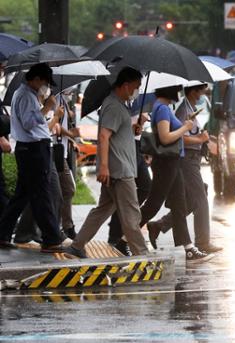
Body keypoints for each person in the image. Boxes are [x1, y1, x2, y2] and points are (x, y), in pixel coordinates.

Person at [64, 67, 150, 258]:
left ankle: (77, 246)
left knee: (102, 211)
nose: (137, 91)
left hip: (117, 169)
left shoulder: (118, 105)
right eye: (136, 87)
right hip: (120, 170)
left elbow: (115, 133)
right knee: (131, 215)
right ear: (126, 85)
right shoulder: (114, 106)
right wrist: (103, 167)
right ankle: (142, 255)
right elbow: (103, 136)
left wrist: (133, 128)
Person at [138, 85, 214, 263]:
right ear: (170, 90)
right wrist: (186, 127)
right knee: (154, 203)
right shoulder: (163, 108)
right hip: (166, 162)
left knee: (179, 205)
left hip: (174, 161)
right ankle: (126, 234)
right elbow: (165, 137)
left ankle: (188, 249)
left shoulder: (164, 108)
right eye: (178, 89)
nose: (180, 92)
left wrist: (185, 123)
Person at [0, 63, 65, 252]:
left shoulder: (26, 94)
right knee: (41, 193)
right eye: (45, 82)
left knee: (22, 195)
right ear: (36, 79)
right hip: (34, 150)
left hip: (30, 149)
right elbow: (29, 123)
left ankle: (3, 234)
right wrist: (47, 107)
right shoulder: (26, 95)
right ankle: (51, 238)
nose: (46, 87)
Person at [107, 111, 152, 256]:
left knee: (145, 186)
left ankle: (120, 229)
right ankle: (116, 235)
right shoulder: (119, 104)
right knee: (118, 194)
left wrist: (141, 125)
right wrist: (132, 127)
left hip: (136, 147)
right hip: (125, 148)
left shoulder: (137, 103)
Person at [54, 93, 80, 239]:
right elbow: (55, 124)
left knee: (63, 190)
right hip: (55, 151)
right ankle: (64, 227)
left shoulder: (62, 99)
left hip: (61, 151)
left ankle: (64, 226)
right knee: (67, 189)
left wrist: (70, 140)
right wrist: (70, 134)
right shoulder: (56, 98)